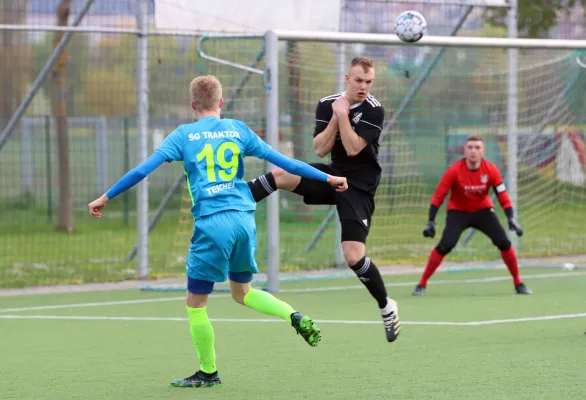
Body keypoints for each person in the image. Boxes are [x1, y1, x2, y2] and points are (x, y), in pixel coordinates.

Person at [88, 75, 349, 388]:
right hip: (243, 218)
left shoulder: (183, 135)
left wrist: (105, 197)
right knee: (243, 293)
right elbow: (286, 163)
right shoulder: (238, 129)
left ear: (193, 105)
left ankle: (208, 372)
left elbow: (142, 170)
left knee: (196, 302)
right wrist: (328, 179)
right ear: (221, 103)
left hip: (212, 223)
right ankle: (293, 316)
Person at [246, 56, 400, 343]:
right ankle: (238, 200)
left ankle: (386, 306)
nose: (364, 86)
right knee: (281, 174)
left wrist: (343, 115)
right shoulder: (327, 103)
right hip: (332, 176)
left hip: (359, 187)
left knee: (353, 256)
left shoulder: (374, 111)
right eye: (358, 81)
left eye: (369, 82)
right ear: (347, 79)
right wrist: (335, 114)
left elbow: (354, 148)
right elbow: (319, 149)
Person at [412, 134, 532, 296]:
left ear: (483, 151)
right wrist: (431, 221)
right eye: (470, 147)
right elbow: (438, 196)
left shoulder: (491, 170)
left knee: (503, 242)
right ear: (465, 150)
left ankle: (518, 283)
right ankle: (422, 284)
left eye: (477, 147)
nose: (473, 151)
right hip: (458, 212)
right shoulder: (454, 170)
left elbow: (502, 195)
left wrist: (510, 217)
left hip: (483, 212)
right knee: (445, 245)